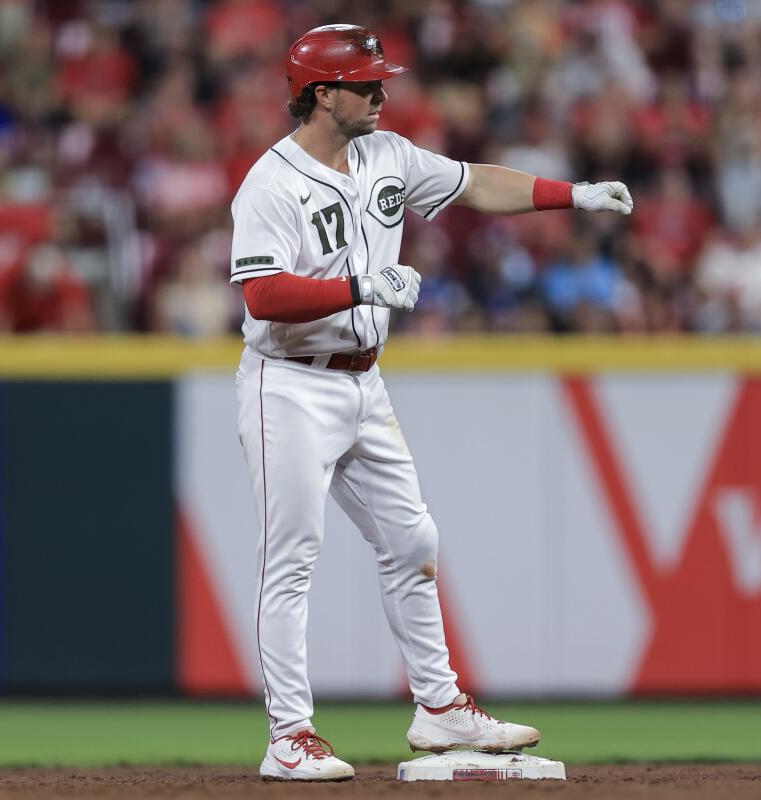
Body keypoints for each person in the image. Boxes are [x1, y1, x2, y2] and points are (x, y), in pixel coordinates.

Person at [229, 24, 633, 782]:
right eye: (368, 83)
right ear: (322, 94)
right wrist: (362, 287)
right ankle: (290, 735)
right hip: (288, 383)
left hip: (362, 379)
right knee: (290, 560)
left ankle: (439, 706)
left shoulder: (387, 155)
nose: (384, 93)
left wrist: (571, 195)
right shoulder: (271, 182)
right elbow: (262, 292)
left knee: (413, 539)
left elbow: (477, 181)